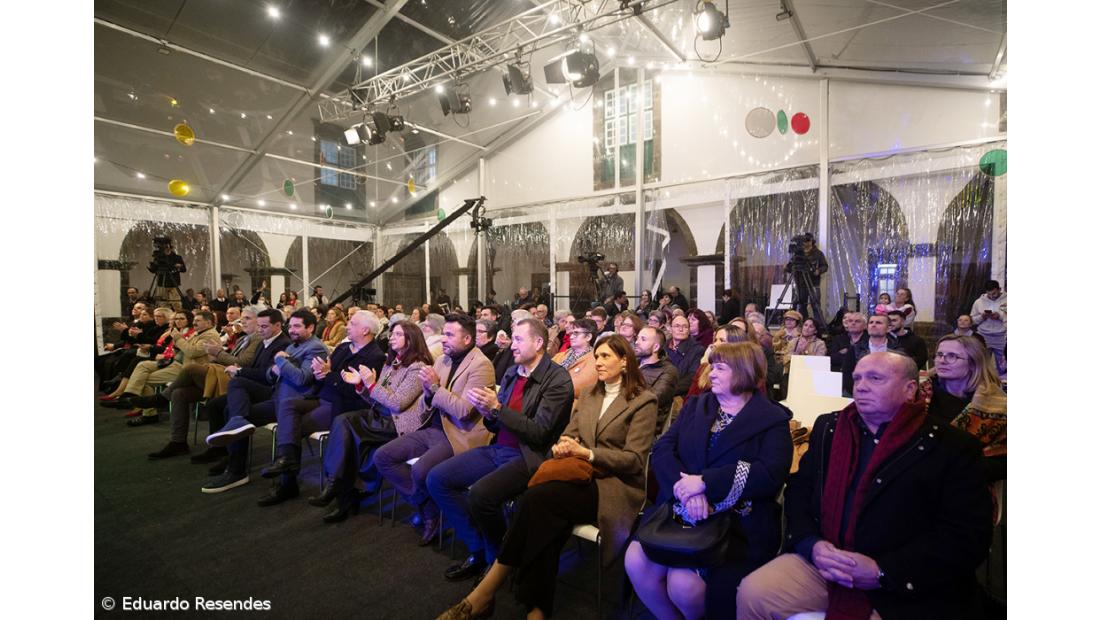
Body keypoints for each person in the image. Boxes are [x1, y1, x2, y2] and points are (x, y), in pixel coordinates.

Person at [736, 352, 993, 619]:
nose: (861, 385)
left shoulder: (951, 446)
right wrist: (811, 544)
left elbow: (966, 536)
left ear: (909, 389)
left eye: (875, 378)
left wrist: (882, 570)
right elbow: (800, 491)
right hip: (825, 557)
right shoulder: (830, 428)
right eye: (857, 378)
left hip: (905, 578)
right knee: (754, 592)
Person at [439, 335, 656, 620]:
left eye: (605, 357)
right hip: (578, 474)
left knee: (538, 502)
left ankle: (487, 592)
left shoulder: (643, 401)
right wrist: (565, 444)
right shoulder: (592, 394)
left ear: (625, 362)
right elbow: (570, 431)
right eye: (597, 357)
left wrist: (587, 453)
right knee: (545, 515)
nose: (598, 363)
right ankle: (535, 610)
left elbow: (635, 461)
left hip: (613, 485)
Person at [627, 342, 793, 619]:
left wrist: (705, 482)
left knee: (683, 584)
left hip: (736, 522)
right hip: (682, 506)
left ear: (744, 372)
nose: (710, 373)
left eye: (719, 368)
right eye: (711, 366)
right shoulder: (698, 405)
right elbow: (664, 448)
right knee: (635, 561)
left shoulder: (771, 419)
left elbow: (770, 474)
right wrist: (688, 493)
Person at [428, 319, 574, 582]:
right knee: (438, 479)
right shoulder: (512, 373)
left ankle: (499, 560)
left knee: (481, 496)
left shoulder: (558, 379)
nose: (511, 345)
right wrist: (489, 412)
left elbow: (539, 433)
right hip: (497, 448)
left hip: (528, 456)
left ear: (538, 343)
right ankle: (480, 549)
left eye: (518, 339)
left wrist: (497, 409)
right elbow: (496, 423)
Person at [371, 314, 497, 544]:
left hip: (459, 434)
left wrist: (435, 388)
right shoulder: (443, 360)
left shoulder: (481, 366)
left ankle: (430, 514)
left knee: (420, 471)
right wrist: (429, 393)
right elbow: (424, 404)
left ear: (467, 338)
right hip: (434, 428)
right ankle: (429, 509)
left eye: (450, 335)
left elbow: (463, 411)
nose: (444, 340)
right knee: (382, 457)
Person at [255, 311, 387, 506]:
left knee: (291, 427)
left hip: (343, 406)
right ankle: (288, 463)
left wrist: (327, 375)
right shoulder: (343, 348)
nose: (347, 326)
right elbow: (329, 376)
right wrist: (321, 374)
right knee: (287, 405)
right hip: (323, 397)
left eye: (352, 323)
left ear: (365, 330)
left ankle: (291, 481)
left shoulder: (374, 356)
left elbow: (354, 391)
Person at [311, 320, 435, 522]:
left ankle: (335, 484)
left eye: (397, 334)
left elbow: (397, 404)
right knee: (348, 432)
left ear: (410, 339)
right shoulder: (392, 362)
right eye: (392, 334)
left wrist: (371, 384)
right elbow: (376, 397)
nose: (391, 338)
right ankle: (342, 493)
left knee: (345, 423)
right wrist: (361, 386)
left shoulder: (417, 368)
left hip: (397, 423)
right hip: (379, 416)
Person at [201, 309, 327, 493]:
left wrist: (281, 362)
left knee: (283, 419)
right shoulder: (293, 346)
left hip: (296, 401)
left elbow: (302, 379)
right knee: (232, 403)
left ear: (311, 327)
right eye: (290, 325)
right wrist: (275, 368)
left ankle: (243, 472)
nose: (291, 330)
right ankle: (236, 468)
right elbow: (270, 375)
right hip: (278, 396)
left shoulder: (315, 347)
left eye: (297, 326)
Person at [919, 335, 1007, 482]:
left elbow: (1003, 461)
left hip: (970, 487)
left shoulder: (996, 404)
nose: (942, 360)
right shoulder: (919, 393)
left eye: (952, 356)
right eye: (939, 355)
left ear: (973, 363)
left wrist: (957, 468)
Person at [634, 326, 679, 432]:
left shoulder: (668, 371)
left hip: (645, 427)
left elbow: (651, 400)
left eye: (643, 339)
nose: (637, 342)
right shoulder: (633, 363)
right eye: (638, 338)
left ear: (655, 347)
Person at [785, 233, 828, 319]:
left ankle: (818, 326)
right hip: (800, 284)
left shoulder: (818, 254)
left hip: (813, 283)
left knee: (815, 305)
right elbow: (791, 267)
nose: (806, 243)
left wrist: (818, 271)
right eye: (804, 241)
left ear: (812, 241)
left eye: (808, 241)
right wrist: (787, 267)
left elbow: (825, 266)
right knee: (801, 305)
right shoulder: (798, 254)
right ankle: (803, 323)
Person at [969, 280, 1007, 376]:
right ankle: (983, 387)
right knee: (981, 364)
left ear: (999, 289)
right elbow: (972, 320)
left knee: (1004, 365)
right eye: (989, 294)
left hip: (1002, 336)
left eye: (994, 293)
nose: (991, 296)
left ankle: (1004, 386)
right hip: (984, 336)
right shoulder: (978, 302)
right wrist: (982, 317)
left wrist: (1000, 316)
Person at [666, 315, 705, 397]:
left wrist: (668, 390)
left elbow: (692, 378)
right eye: (677, 326)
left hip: (679, 395)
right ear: (670, 329)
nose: (681, 329)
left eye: (685, 327)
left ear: (688, 330)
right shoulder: (663, 346)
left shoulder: (697, 350)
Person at [831, 312, 868, 396]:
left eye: (857, 321)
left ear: (865, 326)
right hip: (839, 379)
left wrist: (843, 354)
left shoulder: (868, 341)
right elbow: (832, 358)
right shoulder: (839, 338)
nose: (853, 323)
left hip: (861, 382)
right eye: (850, 321)